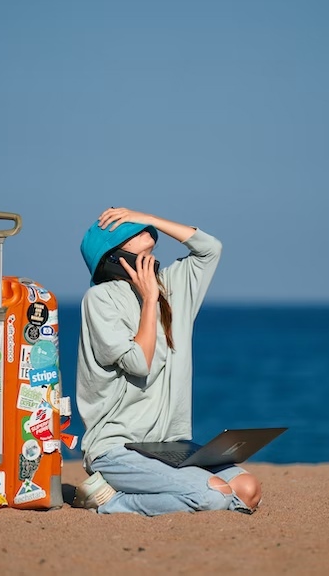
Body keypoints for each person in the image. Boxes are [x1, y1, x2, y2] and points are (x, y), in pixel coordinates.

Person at [73, 207, 263, 516]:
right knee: (213, 496)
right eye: (130, 229)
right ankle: (110, 503)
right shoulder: (100, 300)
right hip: (116, 449)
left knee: (248, 490)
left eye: (139, 224)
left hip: (167, 447)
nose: (141, 228)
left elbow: (210, 249)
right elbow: (139, 363)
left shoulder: (172, 284)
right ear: (113, 257)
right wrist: (150, 300)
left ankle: (172, 493)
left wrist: (148, 217)